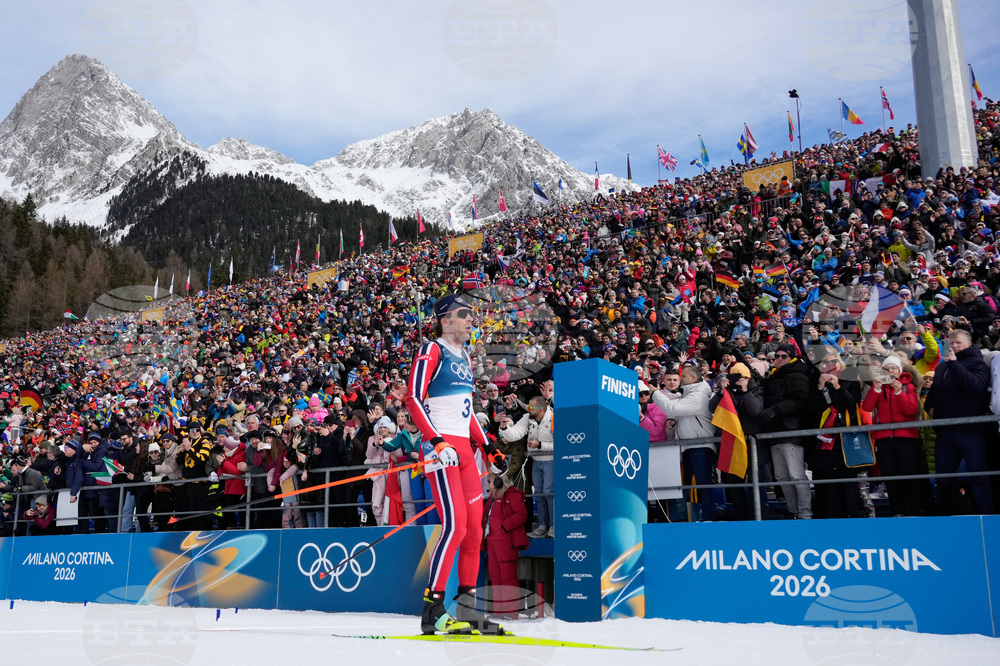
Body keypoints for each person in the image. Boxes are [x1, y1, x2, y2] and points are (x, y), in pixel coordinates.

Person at [406, 294, 510, 635]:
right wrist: (436, 441)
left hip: (465, 450)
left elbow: (465, 413)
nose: (470, 320)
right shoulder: (430, 350)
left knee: (472, 532)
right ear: (445, 320)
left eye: (471, 315)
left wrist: (488, 447)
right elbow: (413, 399)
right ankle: (433, 610)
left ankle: (467, 609)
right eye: (463, 315)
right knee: (454, 527)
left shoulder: (464, 356)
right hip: (442, 450)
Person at [926, 329, 992, 514]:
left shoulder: (977, 363)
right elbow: (934, 392)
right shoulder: (941, 366)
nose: (954, 346)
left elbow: (976, 386)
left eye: (958, 343)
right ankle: (945, 514)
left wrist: (955, 365)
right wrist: (929, 407)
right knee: (944, 476)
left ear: (969, 344)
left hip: (970, 429)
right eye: (951, 342)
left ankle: (985, 514)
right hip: (945, 430)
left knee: (977, 473)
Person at [861, 355, 926, 516]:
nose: (890, 372)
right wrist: (875, 390)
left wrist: (899, 392)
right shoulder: (878, 387)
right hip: (883, 439)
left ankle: (915, 511)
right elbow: (868, 408)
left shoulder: (908, 387)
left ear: (899, 371)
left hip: (906, 438)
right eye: (887, 369)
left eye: (893, 368)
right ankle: (897, 511)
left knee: (909, 476)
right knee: (891, 477)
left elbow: (911, 410)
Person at [654, 364, 717, 521]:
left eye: (684, 376)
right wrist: (672, 420)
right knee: (690, 486)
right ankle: (693, 518)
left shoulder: (699, 395)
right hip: (689, 445)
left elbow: (673, 407)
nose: (681, 379)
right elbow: (680, 414)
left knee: (703, 484)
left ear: (694, 378)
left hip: (700, 445)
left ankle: (709, 519)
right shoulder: (690, 393)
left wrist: (655, 392)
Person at [760, 343, 813, 519]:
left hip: (791, 430)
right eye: (777, 356)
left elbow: (800, 400)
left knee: (796, 475)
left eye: (784, 356)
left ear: (792, 357)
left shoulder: (798, 375)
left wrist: (776, 409)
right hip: (775, 433)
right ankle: (793, 512)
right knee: (781, 476)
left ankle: (805, 514)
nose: (779, 359)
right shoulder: (775, 377)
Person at [499, 396, 554, 537]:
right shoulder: (527, 418)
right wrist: (504, 427)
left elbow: (562, 443)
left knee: (549, 493)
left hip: (551, 460)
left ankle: (554, 525)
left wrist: (540, 445)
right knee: (539, 493)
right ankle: (542, 526)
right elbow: (515, 434)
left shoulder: (554, 418)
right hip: (535, 460)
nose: (528, 410)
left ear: (541, 409)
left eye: (531, 408)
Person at [483, 471, 528, 619]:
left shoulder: (512, 495)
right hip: (492, 542)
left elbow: (522, 514)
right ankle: (498, 610)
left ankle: (510, 611)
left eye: (489, 482)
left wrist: (505, 526)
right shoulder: (492, 498)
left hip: (506, 542)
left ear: (498, 482)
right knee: (495, 577)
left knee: (507, 576)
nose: (487, 485)